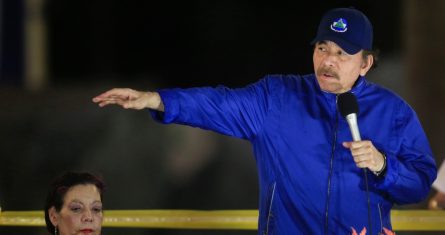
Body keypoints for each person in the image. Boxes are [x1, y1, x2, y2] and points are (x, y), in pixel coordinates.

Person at [92, 7, 437, 235]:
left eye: (342, 54)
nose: (328, 61)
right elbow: (218, 103)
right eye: (322, 48)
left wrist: (382, 166)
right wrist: (155, 99)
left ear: (366, 63)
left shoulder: (394, 112)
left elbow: (420, 184)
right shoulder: (277, 98)